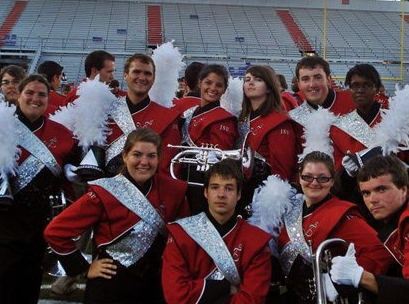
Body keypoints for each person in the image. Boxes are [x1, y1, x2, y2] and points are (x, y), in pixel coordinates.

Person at [44, 128, 190, 304]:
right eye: (137, 154)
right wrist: (83, 269)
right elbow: (55, 231)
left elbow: (183, 238)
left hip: (154, 285)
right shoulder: (104, 191)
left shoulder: (173, 190)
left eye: (151, 156)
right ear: (124, 156)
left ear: (159, 159)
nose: (144, 162)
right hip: (110, 286)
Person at [251, 151, 391, 304]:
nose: (314, 183)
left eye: (323, 178)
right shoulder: (288, 209)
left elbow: (379, 252)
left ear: (332, 181)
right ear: (299, 177)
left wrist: (340, 282)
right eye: (307, 176)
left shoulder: (342, 214)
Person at [0, 74, 79, 304]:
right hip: (4, 223)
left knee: (29, 285)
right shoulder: (3, 124)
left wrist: (74, 172)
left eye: (42, 94)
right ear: (19, 95)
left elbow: (70, 173)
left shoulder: (63, 134)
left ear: (48, 98)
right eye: (30, 93)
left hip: (39, 224)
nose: (35, 99)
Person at [162, 158, 272, 304]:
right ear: (206, 192)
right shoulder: (181, 234)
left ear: (239, 195)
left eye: (229, 188)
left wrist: (197, 289)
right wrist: (227, 288)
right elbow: (175, 295)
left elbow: (252, 299)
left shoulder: (257, 241)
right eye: (215, 187)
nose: (221, 194)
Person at [330, 155, 409, 304]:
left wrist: (360, 276)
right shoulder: (392, 220)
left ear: (403, 190)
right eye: (366, 193)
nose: (372, 199)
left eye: (381, 189)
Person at [238, 65, 301, 216]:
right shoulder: (242, 118)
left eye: (258, 79)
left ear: (269, 87)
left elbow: (281, 173)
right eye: (247, 79)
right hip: (239, 189)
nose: (250, 83)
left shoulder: (279, 122)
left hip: (262, 196)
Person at [178, 64, 239, 215]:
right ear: (199, 83)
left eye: (219, 85)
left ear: (224, 90)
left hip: (203, 181)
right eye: (208, 82)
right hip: (183, 177)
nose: (213, 88)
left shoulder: (224, 119)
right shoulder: (190, 113)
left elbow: (219, 158)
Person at [288, 56, 355, 127]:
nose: (312, 84)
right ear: (299, 84)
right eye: (305, 79)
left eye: (318, 77)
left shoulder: (353, 102)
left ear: (328, 80)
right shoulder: (294, 119)